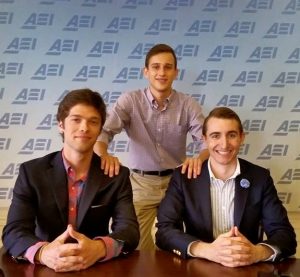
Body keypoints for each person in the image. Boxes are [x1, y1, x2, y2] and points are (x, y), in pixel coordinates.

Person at [2, 89, 139, 272]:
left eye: (93, 121)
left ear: (100, 129)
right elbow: (14, 231)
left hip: (95, 267)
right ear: (61, 124)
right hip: (44, 268)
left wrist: (99, 248)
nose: (84, 127)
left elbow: (129, 231)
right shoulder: (32, 172)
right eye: (76, 119)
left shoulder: (115, 175)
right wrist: (43, 252)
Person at [94, 43, 209, 250]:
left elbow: (209, 141)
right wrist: (104, 155)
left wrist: (199, 159)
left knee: (182, 246)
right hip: (141, 183)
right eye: (156, 67)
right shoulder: (130, 100)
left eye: (167, 67)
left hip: (177, 183)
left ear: (176, 72)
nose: (161, 72)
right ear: (146, 72)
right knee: (134, 245)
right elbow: (103, 132)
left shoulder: (188, 104)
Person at [156, 107, 297, 267]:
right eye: (215, 136)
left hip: (246, 266)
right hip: (199, 266)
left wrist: (256, 253)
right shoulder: (184, 178)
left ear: (242, 137)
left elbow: (284, 234)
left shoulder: (260, 178)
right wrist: (206, 250)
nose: (224, 144)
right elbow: (164, 231)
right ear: (205, 139)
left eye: (231, 135)